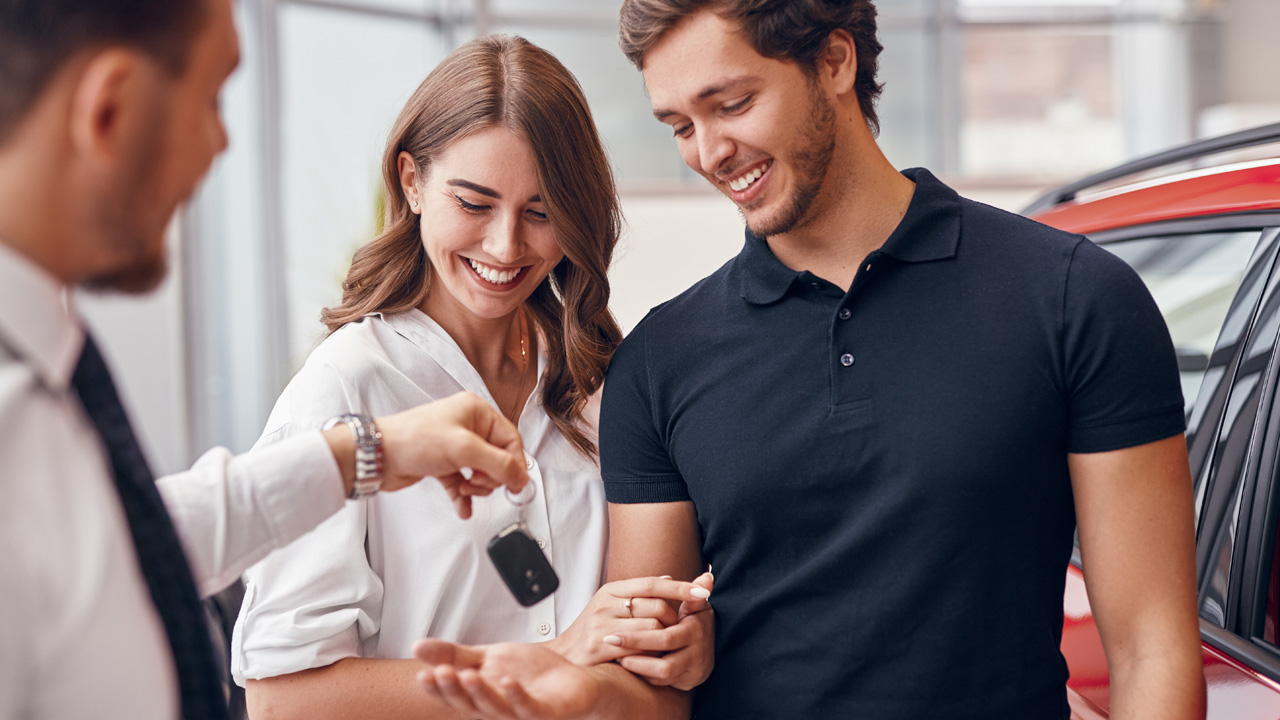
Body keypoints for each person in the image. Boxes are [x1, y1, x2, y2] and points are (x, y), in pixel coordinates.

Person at [414, 2, 1208, 720]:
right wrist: (577, 688)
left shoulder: (1075, 299)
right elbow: (655, 680)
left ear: (835, 61)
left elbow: (1151, 651)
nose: (709, 153)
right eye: (679, 125)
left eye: (731, 104)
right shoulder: (660, 360)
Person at [0, 1, 534, 718]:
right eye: (213, 99)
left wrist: (364, 454)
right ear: (111, 108)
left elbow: (128, 541)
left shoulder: (41, 372)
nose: (222, 144)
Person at [231, 34, 713, 720]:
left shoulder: (603, 379)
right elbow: (282, 700)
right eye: (475, 202)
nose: (506, 245)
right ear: (411, 182)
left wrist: (682, 648)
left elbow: (642, 675)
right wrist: (553, 663)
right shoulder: (346, 390)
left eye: (541, 211)